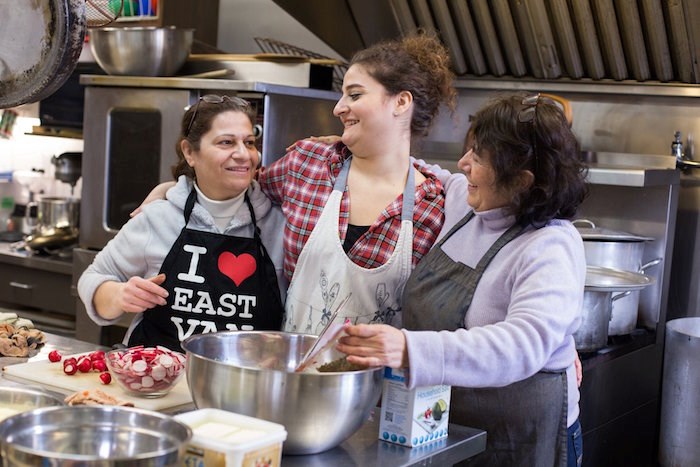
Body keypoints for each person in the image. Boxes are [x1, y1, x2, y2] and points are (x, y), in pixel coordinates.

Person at [138, 32, 457, 335]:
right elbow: (231, 190)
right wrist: (168, 190)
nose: (338, 108)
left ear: (401, 103)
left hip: (375, 387)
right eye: (342, 95)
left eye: (355, 94)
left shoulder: (435, 206)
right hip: (292, 375)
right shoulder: (308, 164)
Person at [336, 93, 588, 466]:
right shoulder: (463, 203)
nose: (463, 164)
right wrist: (344, 144)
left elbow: (522, 344)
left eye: (480, 157)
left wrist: (410, 350)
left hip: (523, 442)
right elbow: (407, 165)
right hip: (448, 432)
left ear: (521, 180)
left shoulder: (551, 245)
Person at [78, 95, 287, 351]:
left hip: (247, 386)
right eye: (226, 142)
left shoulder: (281, 225)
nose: (244, 154)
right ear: (190, 152)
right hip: (157, 381)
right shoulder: (158, 218)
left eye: (250, 142)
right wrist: (118, 295)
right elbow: (93, 278)